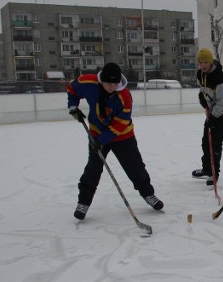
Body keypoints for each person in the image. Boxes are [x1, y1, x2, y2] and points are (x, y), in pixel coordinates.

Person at [66, 62, 164, 220]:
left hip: (123, 136)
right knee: (93, 169)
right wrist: (73, 107)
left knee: (135, 167)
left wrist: (103, 140)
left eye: (115, 83)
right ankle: (83, 203)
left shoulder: (124, 96)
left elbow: (121, 122)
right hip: (96, 133)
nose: (112, 86)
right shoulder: (88, 83)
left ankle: (149, 195)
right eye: (108, 83)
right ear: (101, 80)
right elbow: (71, 88)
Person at [192, 48, 223, 186]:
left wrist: (214, 118)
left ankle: (214, 174)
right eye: (200, 62)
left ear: (210, 63)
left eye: (205, 62)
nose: (203, 65)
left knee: (215, 143)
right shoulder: (200, 75)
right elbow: (203, 91)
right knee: (205, 142)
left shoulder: (220, 77)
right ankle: (206, 169)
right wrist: (203, 100)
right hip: (212, 112)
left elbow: (222, 103)